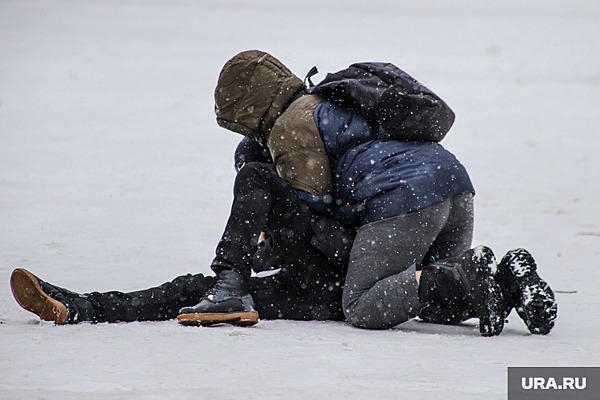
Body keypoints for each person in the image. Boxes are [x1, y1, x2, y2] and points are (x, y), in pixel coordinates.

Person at [179, 49, 557, 336]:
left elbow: (316, 215)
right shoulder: (329, 101)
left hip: (404, 197)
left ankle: (467, 271)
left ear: (249, 110)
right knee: (431, 299)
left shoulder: (291, 127)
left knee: (363, 304)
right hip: (453, 184)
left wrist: (268, 246)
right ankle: (510, 279)